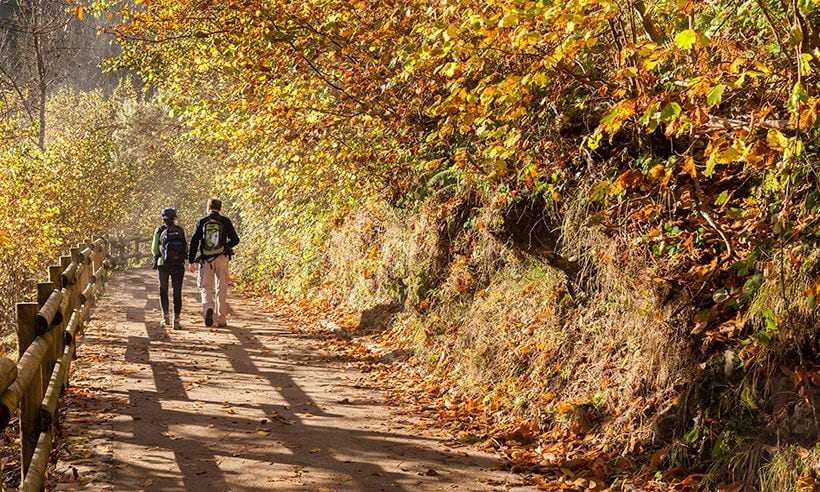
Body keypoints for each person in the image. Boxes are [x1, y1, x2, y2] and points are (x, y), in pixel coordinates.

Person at [188, 197, 240, 327]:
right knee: (221, 287)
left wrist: (191, 260)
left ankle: (208, 308)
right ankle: (221, 319)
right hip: (222, 258)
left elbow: (194, 242)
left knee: (205, 286)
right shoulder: (225, 221)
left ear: (209, 207)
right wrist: (226, 247)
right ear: (220, 208)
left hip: (206, 260)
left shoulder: (202, 221)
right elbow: (235, 239)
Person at [151, 208, 188, 329]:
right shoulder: (180, 230)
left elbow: (154, 249)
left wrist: (159, 256)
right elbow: (185, 248)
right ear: (175, 218)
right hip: (178, 265)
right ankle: (176, 320)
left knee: (163, 291)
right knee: (177, 292)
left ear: (163, 218)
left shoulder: (159, 230)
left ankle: (165, 318)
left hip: (163, 265)